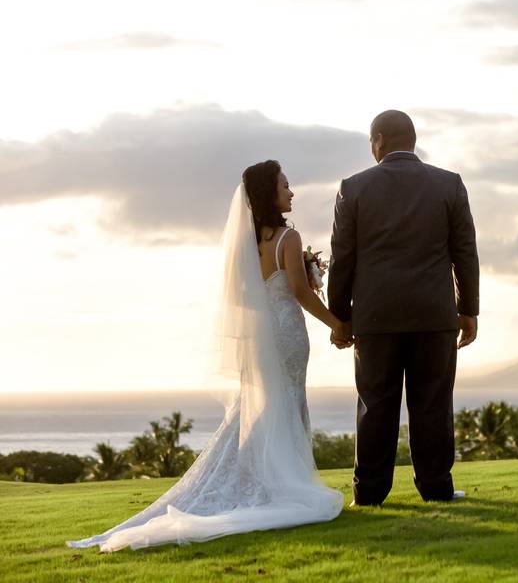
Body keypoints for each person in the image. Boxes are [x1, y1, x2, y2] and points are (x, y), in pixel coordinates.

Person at [68, 160, 343, 552]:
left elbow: (246, 302)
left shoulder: (246, 245)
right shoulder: (289, 239)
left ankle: (263, 478)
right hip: (287, 334)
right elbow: (300, 292)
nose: (292, 191)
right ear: (270, 192)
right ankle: (283, 483)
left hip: (264, 340)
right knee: (284, 403)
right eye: (286, 185)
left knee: (264, 408)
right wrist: (336, 323)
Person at [328, 110, 480, 506]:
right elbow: (465, 253)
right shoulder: (449, 184)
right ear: (411, 139)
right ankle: (436, 488)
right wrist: (469, 309)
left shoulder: (353, 188)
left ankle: (370, 494)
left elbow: (342, 258)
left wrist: (340, 316)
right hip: (434, 313)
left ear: (378, 140)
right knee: (432, 403)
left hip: (375, 317)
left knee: (376, 405)